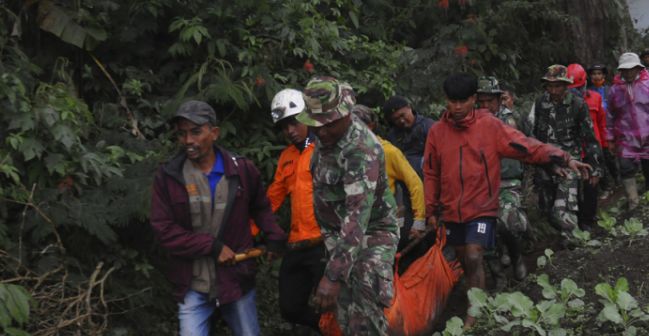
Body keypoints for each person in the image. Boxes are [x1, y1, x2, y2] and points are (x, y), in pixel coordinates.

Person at [423, 73, 592, 329]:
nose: (457, 107)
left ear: (473, 100)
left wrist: (564, 157)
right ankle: (478, 296)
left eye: (463, 101)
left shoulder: (489, 126)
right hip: (451, 210)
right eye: (452, 101)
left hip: (481, 207)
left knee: (473, 254)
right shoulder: (437, 132)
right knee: (463, 257)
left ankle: (474, 313)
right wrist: (430, 210)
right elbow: (431, 173)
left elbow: (526, 145)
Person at [150, 100, 287, 336]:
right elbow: (164, 230)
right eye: (182, 134)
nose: (188, 141)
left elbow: (261, 208)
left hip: (236, 281)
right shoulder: (168, 177)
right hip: (192, 284)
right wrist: (211, 246)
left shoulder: (242, 170)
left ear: (214, 133)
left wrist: (274, 236)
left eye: (196, 132)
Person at [296, 76, 400, 335]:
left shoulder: (361, 149)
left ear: (346, 113)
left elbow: (356, 219)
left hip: (370, 236)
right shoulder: (324, 136)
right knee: (347, 318)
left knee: (365, 316)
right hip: (339, 239)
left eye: (328, 124)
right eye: (315, 124)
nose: (321, 131)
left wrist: (333, 276)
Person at [266, 89, 326, 332]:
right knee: (290, 307)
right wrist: (250, 230)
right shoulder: (287, 157)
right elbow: (272, 198)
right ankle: (326, 328)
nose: (290, 130)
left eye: (294, 122)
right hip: (297, 243)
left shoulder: (324, 149)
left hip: (324, 242)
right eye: (284, 126)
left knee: (331, 302)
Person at [352, 104, 427, 272]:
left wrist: (419, 221)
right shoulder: (348, 154)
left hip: (386, 225)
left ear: (370, 126)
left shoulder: (388, 152)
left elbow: (414, 183)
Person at [531, 65, 602, 234]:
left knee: (564, 208)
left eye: (557, 86)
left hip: (570, 162)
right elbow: (534, 134)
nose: (553, 90)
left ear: (565, 85)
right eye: (550, 86)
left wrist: (596, 168)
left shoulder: (577, 104)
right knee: (547, 208)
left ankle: (573, 240)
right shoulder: (541, 103)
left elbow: (590, 138)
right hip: (546, 161)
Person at [476, 76, 529, 288]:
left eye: (491, 100)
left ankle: (516, 257)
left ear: (499, 100)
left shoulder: (512, 118)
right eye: (482, 101)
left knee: (508, 223)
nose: (486, 105)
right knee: (481, 232)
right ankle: (498, 276)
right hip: (480, 187)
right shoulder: (470, 123)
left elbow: (530, 145)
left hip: (508, 181)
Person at [567, 63, 607, 230]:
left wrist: (604, 145)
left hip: (592, 148)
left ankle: (589, 219)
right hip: (573, 149)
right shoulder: (564, 103)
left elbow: (601, 123)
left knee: (591, 184)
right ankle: (578, 218)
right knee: (574, 186)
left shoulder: (595, 98)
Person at [607, 52, 649, 210]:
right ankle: (633, 202)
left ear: (639, 68)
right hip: (625, 137)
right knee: (625, 168)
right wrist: (610, 138)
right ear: (621, 71)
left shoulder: (647, 85)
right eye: (626, 69)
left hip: (648, 135)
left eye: (633, 69)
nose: (630, 72)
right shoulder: (614, 90)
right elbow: (610, 115)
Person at [587, 63, 620, 196]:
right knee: (602, 157)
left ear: (604, 75)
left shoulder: (610, 90)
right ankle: (606, 185)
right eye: (594, 74)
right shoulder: (588, 92)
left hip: (611, 126)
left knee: (612, 156)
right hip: (596, 129)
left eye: (599, 73)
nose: (596, 76)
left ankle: (617, 179)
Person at [382, 95, 435, 177]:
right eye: (396, 119)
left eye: (402, 115)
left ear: (409, 108)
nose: (401, 121)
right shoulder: (392, 135)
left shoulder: (428, 127)